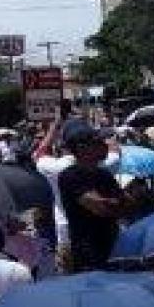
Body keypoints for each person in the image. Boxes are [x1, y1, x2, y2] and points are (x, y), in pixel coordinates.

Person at [33, 117, 121, 273]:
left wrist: (53, 128)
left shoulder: (55, 168)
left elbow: (40, 153)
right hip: (105, 239)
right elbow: (114, 150)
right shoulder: (105, 165)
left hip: (68, 237)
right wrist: (106, 130)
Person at [57, 120, 131, 272]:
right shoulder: (70, 175)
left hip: (112, 250)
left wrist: (119, 203)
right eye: (97, 142)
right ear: (81, 148)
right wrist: (118, 202)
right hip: (88, 256)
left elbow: (128, 206)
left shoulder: (104, 174)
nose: (105, 145)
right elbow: (101, 207)